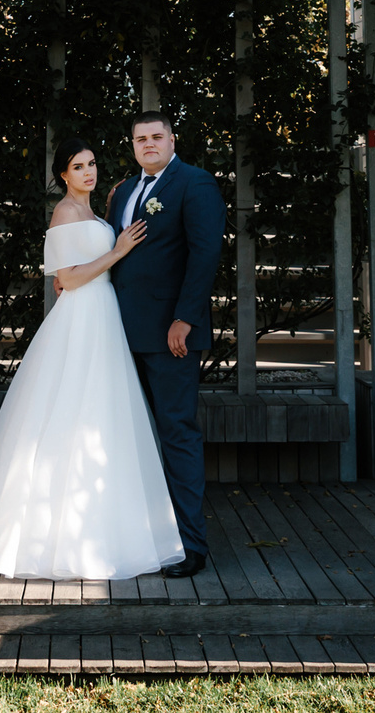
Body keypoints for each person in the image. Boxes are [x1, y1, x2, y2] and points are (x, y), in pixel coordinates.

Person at [0, 140, 184, 580]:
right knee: (68, 411)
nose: (88, 172)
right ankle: (50, 533)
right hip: (81, 319)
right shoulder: (64, 212)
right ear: (63, 175)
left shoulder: (99, 213)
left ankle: (101, 530)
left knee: (100, 417)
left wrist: (112, 248)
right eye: (78, 166)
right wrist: (118, 251)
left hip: (104, 317)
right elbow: (68, 278)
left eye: (92, 164)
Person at [104, 109, 225, 578]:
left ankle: (189, 546)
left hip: (170, 335)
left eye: (157, 137)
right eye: (140, 139)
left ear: (173, 140)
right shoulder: (123, 192)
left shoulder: (195, 184)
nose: (149, 144)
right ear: (132, 145)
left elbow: (205, 252)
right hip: (119, 332)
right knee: (125, 436)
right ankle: (136, 537)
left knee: (177, 433)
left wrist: (184, 318)